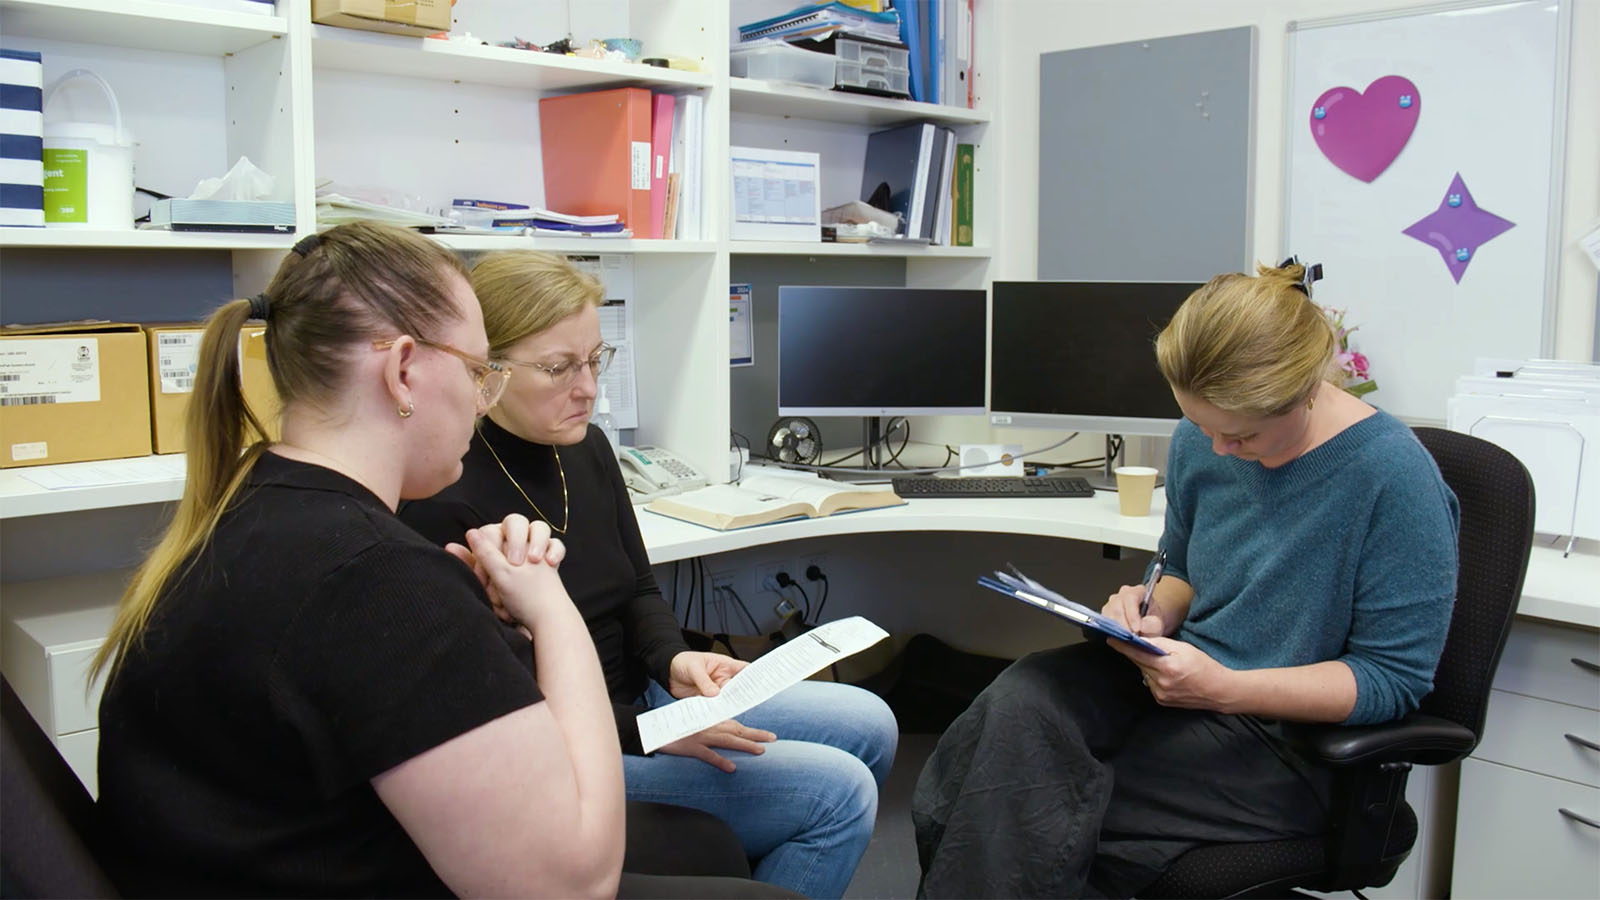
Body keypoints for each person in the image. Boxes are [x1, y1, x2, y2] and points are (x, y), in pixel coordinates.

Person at [91, 223, 781, 899]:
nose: (483, 401)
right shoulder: (376, 578)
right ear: (402, 371)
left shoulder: (249, 503)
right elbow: (575, 883)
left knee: (708, 845)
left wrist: (480, 628)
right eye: (481, 372)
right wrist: (550, 610)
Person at [910, 261, 1460, 898]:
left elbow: (1391, 680)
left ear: (1310, 389)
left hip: (1283, 741)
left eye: (1244, 436)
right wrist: (1151, 608)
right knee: (1014, 706)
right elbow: (1186, 568)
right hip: (1176, 684)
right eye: (1202, 426)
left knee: (1023, 804)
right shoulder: (1203, 436)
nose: (1219, 450)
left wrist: (1225, 689)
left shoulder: (1395, 479)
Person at [400, 250, 899, 900]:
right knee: (839, 792)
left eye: (595, 360)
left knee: (870, 721)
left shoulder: (587, 445)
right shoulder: (446, 492)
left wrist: (675, 663)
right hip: (576, 742)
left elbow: (637, 587)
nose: (589, 390)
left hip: (647, 701)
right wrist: (655, 730)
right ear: (485, 370)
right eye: (558, 368)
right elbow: (505, 703)